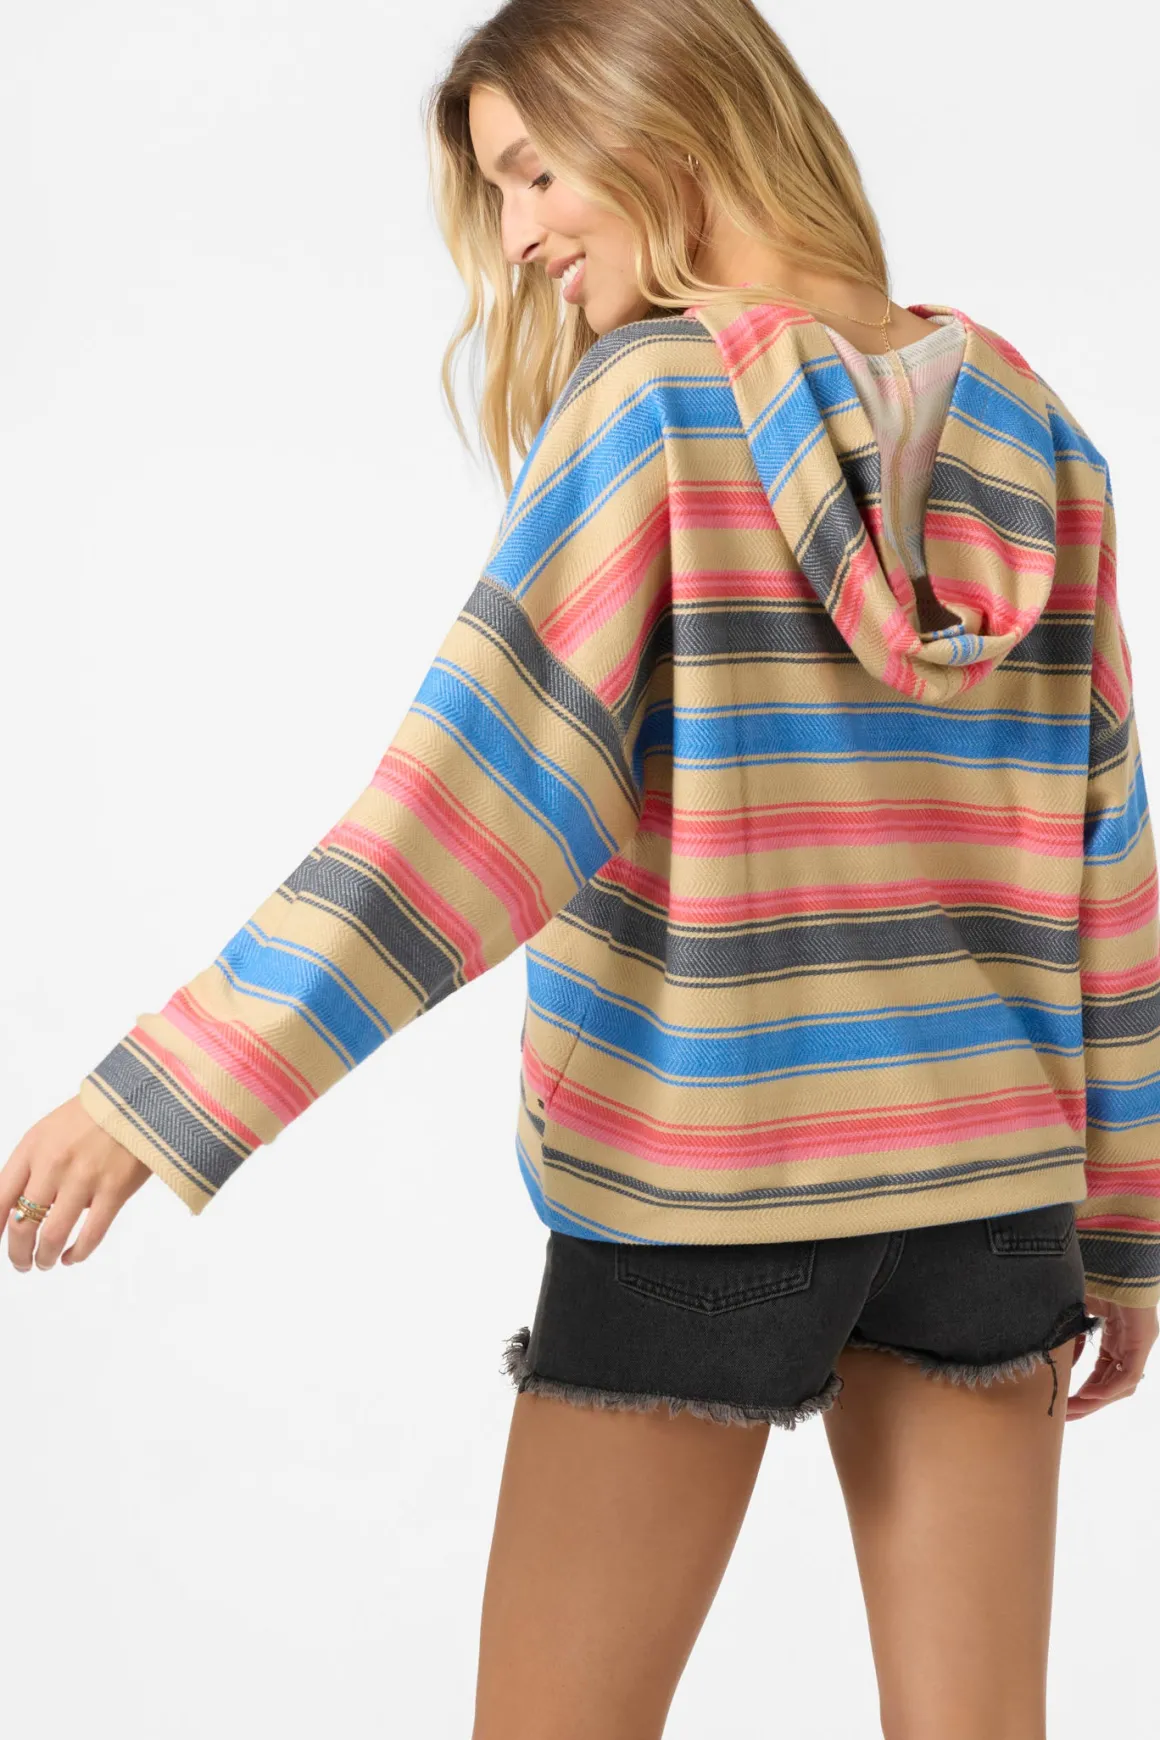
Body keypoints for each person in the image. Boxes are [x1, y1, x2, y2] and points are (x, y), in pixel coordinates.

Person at [4, 1, 1156, 1734]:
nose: (522, 231)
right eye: (499, 189)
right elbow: (1107, 871)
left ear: (668, 121)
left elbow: (472, 811)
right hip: (993, 1192)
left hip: (713, 1180)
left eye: (539, 171)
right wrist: (1122, 1231)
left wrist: (166, 1090)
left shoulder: (655, 404)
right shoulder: (1039, 430)